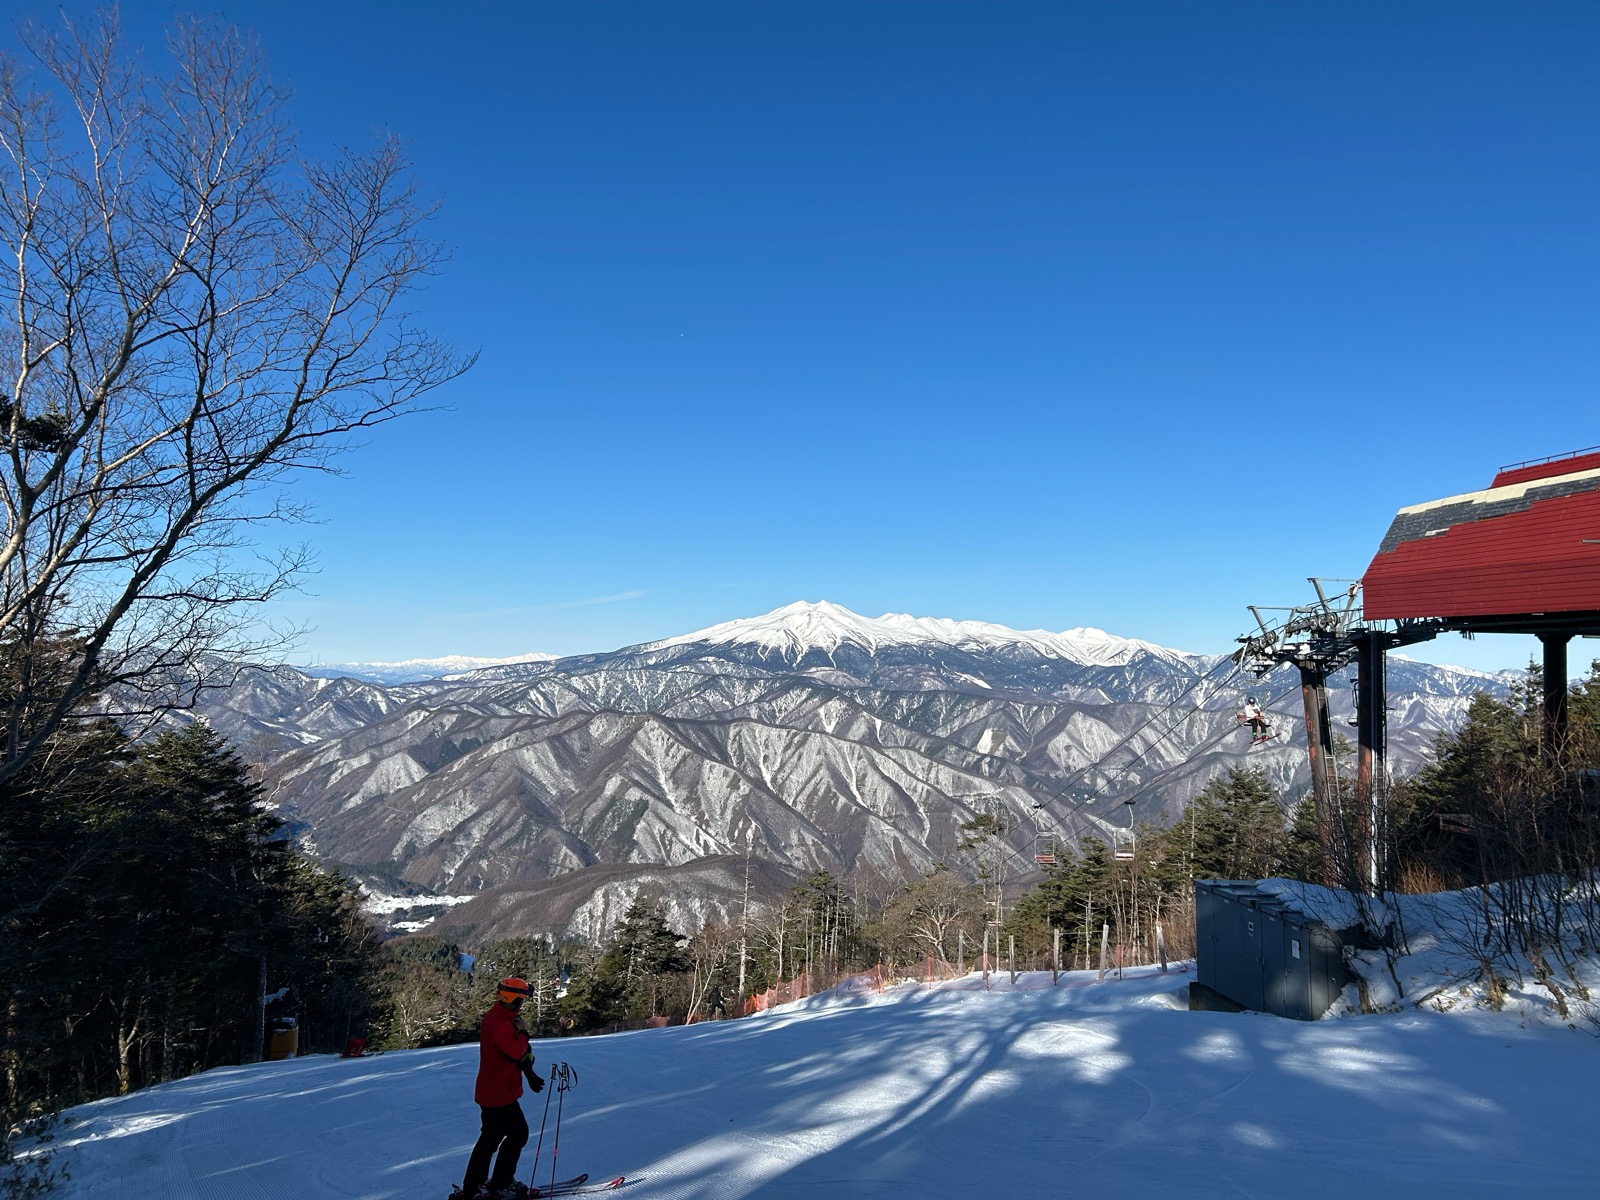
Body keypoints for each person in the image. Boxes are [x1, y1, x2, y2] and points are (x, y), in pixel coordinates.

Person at [452, 977, 545, 1200]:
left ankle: (475, 1186)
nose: (523, 1004)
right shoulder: (501, 1025)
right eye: (522, 1000)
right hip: (498, 1094)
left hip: (494, 1091)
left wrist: (528, 1072)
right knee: (517, 1133)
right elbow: (515, 1052)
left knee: (491, 1138)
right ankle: (499, 1183)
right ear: (514, 1000)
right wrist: (523, 1033)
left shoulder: (499, 1017)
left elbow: (517, 1056)